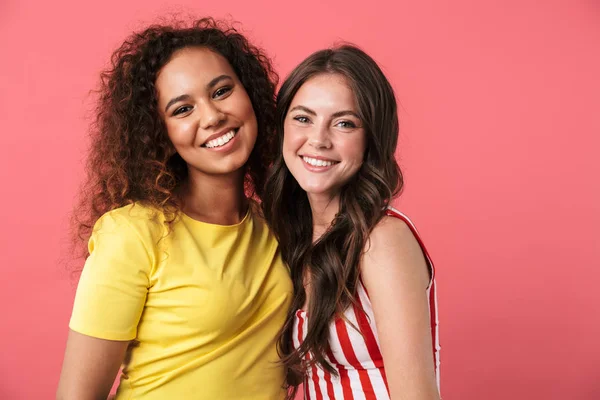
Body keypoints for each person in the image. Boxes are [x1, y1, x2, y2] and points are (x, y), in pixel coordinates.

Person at [56, 18, 292, 400]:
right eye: (183, 109)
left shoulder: (279, 227)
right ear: (159, 133)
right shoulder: (132, 232)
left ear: (251, 95)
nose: (212, 116)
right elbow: (77, 395)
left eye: (222, 90)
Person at [263, 45, 441, 400]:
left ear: (371, 139)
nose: (318, 139)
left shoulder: (381, 240)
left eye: (344, 123)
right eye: (303, 118)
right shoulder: (295, 238)